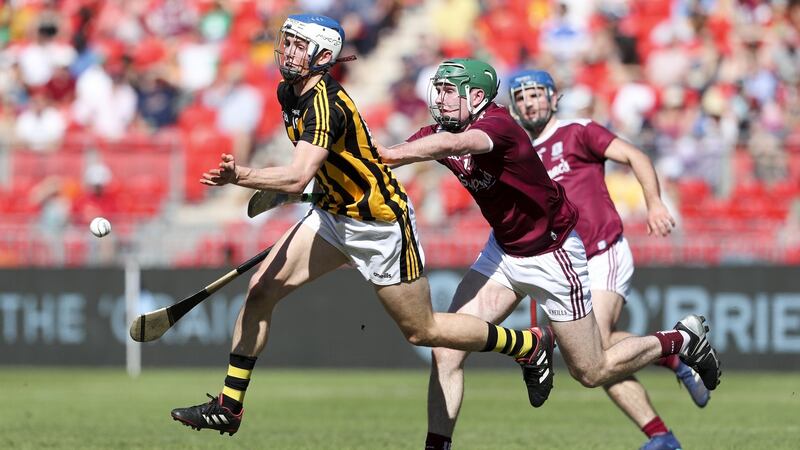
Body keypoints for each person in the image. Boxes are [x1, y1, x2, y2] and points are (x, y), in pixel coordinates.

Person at [169, 15, 556, 437]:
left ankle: (528, 345)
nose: (288, 51)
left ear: (322, 56)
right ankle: (229, 406)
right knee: (260, 290)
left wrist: (240, 176)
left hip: (380, 225)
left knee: (422, 330)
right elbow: (322, 166)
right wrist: (315, 188)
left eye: (299, 46)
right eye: (288, 43)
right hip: (333, 214)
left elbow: (298, 175)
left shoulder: (325, 104)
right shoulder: (288, 92)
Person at [375, 58, 721, 450]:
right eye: (438, 90)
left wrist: (392, 155)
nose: (438, 99)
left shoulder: (499, 126)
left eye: (448, 91)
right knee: (446, 349)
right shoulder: (441, 130)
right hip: (502, 253)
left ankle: (681, 340)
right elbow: (409, 146)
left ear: (476, 96)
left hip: (553, 254)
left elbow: (455, 144)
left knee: (592, 370)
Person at [509, 69, 711, 449]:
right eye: (520, 98)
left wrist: (653, 203)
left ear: (554, 98)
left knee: (596, 350)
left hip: (602, 252)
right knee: (591, 360)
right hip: (562, 268)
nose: (528, 102)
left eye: (536, 94)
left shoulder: (578, 130)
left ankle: (678, 350)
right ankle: (665, 406)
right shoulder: (522, 152)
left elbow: (634, 154)